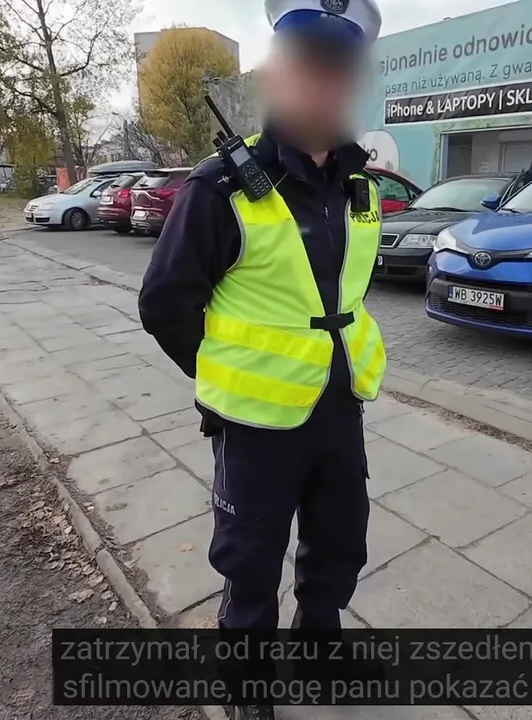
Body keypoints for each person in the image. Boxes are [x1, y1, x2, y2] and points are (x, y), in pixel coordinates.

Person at [137, 1, 385, 717]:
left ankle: (319, 655)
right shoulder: (220, 187)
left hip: (339, 407)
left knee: (339, 544)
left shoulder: (360, 185)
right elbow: (165, 304)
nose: (321, 83)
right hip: (254, 423)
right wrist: (226, 372)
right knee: (250, 560)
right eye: (305, 65)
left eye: (337, 69)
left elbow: (344, 293)